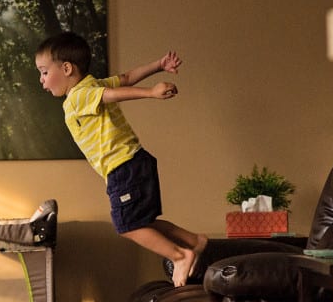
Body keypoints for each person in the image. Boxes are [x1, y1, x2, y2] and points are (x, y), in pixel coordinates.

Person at [35, 31, 206, 287]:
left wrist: (150, 92)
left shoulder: (79, 96)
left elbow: (112, 95)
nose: (42, 81)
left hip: (123, 166)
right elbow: (125, 78)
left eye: (44, 72)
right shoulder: (92, 85)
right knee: (142, 222)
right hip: (134, 162)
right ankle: (193, 240)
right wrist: (158, 66)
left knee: (126, 225)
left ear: (67, 68)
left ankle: (180, 255)